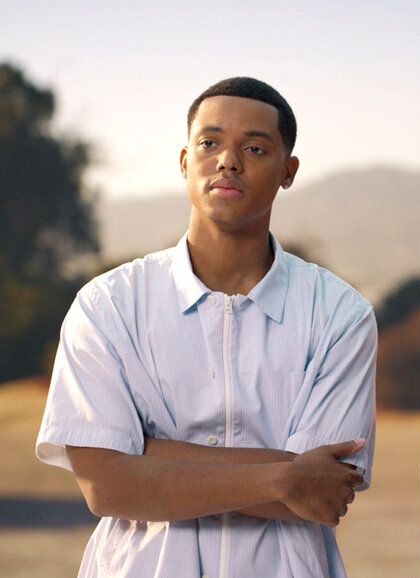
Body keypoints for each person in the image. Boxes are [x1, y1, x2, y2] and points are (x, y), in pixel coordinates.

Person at [36, 77, 377, 577]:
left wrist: (145, 454)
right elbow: (107, 487)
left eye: (255, 147)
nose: (228, 161)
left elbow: (321, 493)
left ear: (288, 170)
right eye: (209, 142)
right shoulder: (108, 305)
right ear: (184, 161)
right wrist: (285, 475)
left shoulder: (340, 314)